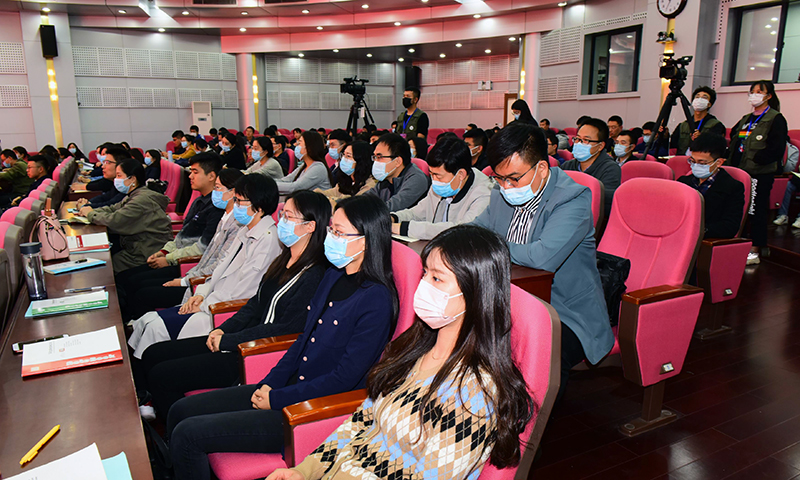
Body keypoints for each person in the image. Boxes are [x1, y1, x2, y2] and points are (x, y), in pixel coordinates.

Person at [268, 225, 534, 480]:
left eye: (437, 278)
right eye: (424, 274)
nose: (423, 286)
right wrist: (305, 471)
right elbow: (361, 421)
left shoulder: (473, 391)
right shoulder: (413, 350)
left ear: (475, 293)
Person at [166, 194, 398, 480]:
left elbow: (343, 379)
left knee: (188, 435)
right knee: (180, 410)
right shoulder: (334, 275)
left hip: (306, 411)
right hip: (286, 389)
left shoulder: (376, 300)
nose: (331, 237)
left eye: (339, 232)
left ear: (366, 241)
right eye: (331, 230)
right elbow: (303, 340)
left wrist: (277, 398)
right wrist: (270, 383)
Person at [135, 191, 331, 418]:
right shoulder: (284, 258)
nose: (282, 222)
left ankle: (169, 428)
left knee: (162, 375)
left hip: (255, 352)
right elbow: (255, 304)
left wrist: (229, 340)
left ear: (310, 226)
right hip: (240, 338)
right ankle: (153, 411)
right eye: (282, 215)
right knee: (154, 354)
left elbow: (284, 328)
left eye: (289, 216)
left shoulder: (314, 274)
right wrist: (223, 329)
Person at [472, 122, 613, 401]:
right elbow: (476, 230)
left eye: (514, 178)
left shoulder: (572, 199)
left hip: (564, 310)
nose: (506, 186)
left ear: (542, 168)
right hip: (509, 296)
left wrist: (492, 243)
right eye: (499, 179)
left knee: (541, 357)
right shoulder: (502, 192)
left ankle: (529, 425)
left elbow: (542, 257)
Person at [128, 174, 282, 359]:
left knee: (154, 329)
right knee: (147, 320)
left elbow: (244, 292)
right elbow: (219, 270)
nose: (235, 206)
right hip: (210, 301)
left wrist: (204, 304)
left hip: (221, 312)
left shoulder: (268, 241)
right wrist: (201, 293)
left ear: (259, 206)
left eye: (239, 201)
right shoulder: (246, 230)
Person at [125, 169, 244, 321]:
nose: (214, 191)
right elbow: (205, 254)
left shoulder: (236, 223)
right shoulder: (224, 216)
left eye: (217, 187)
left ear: (233, 192)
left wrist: (184, 280)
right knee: (136, 283)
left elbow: (218, 264)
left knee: (142, 293)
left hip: (201, 284)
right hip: (195, 274)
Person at [116, 153, 224, 318]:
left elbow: (203, 248)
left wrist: (168, 259)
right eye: (190, 171)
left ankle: (134, 325)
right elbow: (182, 236)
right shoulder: (199, 201)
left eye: (195, 172)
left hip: (188, 264)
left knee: (137, 288)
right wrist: (164, 252)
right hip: (177, 257)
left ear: (211, 176)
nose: (190, 176)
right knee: (125, 278)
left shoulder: (216, 209)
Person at [728, 80, 788, 265]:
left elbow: (777, 147)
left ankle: (755, 247)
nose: (754, 95)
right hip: (741, 171)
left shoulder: (775, 118)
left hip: (760, 172)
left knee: (756, 209)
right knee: (739, 208)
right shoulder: (746, 118)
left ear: (768, 96)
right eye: (752, 91)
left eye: (759, 92)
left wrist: (758, 159)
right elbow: (734, 138)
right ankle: (738, 243)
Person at [83, 158, 173, 274]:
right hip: (136, 246)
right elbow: (113, 208)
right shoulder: (135, 194)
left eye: (119, 176)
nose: (116, 180)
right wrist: (89, 210)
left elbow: (114, 221)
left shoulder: (140, 200)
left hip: (146, 252)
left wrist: (90, 214)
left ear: (132, 179)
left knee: (104, 267)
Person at [391, 137, 492, 240]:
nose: (434, 180)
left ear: (461, 174)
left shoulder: (484, 193)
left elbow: (462, 230)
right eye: (431, 174)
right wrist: (394, 218)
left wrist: (404, 228)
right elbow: (418, 212)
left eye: (438, 176)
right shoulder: (442, 184)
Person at [677, 134, 744, 239]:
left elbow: (730, 226)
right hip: (678, 235)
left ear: (719, 162)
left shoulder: (732, 187)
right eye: (693, 161)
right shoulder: (683, 182)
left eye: (702, 163)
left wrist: (697, 230)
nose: (696, 166)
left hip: (705, 239)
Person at [561, 118, 621, 215]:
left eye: (586, 140)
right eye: (577, 139)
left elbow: (605, 204)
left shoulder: (610, 169)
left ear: (600, 146)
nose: (579, 143)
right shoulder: (567, 166)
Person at [369, 132, 429, 211]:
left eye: (379, 157)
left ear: (398, 161)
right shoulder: (386, 179)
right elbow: (367, 198)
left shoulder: (417, 179)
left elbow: (392, 207)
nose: (376, 161)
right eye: (374, 157)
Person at [317, 141, 376, 208]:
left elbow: (352, 204)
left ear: (361, 161)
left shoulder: (370, 185)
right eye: (343, 155)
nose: (344, 159)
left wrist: (332, 199)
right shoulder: (348, 178)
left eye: (348, 156)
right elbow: (334, 192)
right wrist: (317, 194)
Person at [670, 86, 726, 156]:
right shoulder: (683, 125)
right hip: (682, 159)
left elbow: (717, 147)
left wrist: (702, 139)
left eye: (704, 97)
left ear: (709, 104)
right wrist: (664, 136)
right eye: (697, 97)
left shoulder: (716, 125)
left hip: (702, 160)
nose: (699, 100)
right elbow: (672, 145)